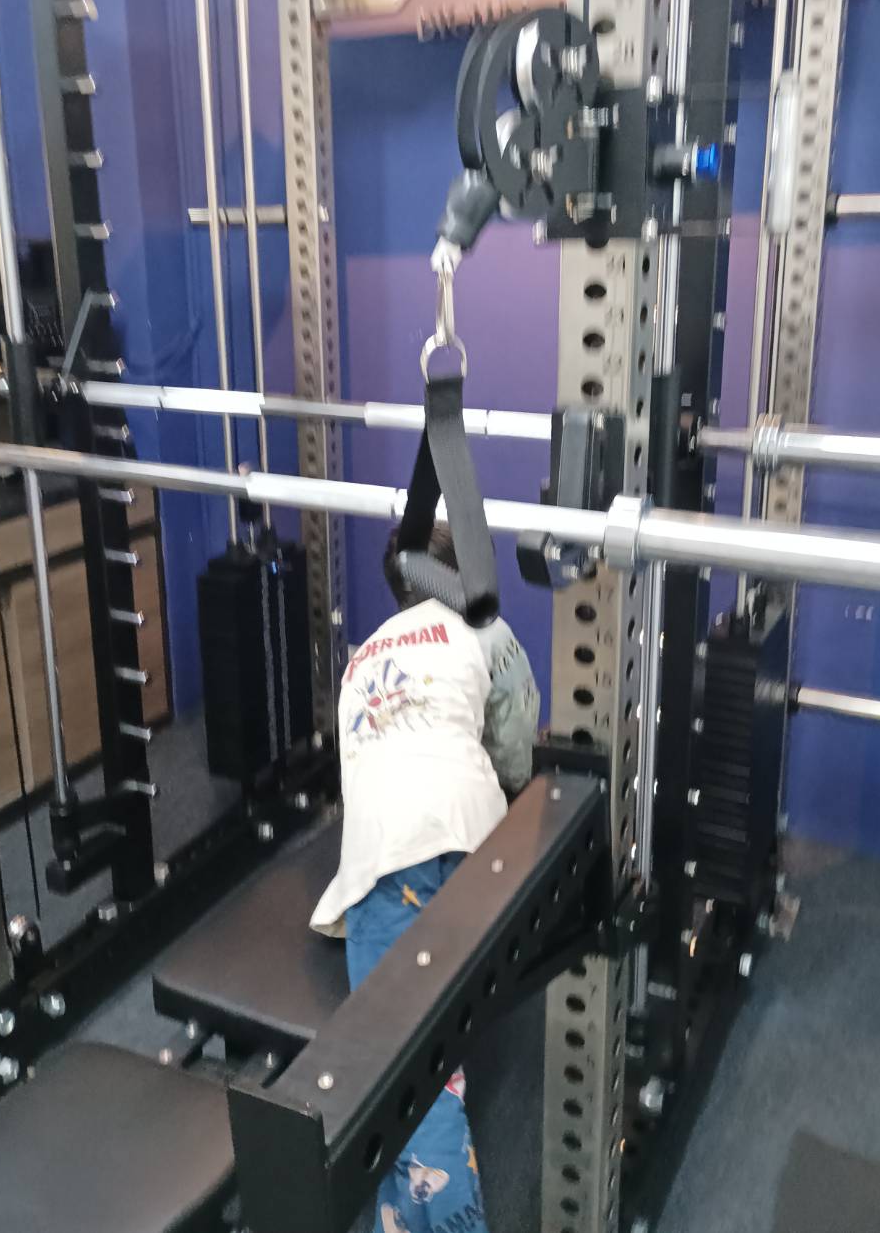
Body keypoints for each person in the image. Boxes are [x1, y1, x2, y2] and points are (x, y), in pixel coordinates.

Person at [312, 522, 539, 1233]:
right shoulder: (485, 628)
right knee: (421, 1062)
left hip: (388, 858)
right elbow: (517, 739)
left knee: (403, 1063)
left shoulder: (360, 660)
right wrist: (512, 796)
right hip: (474, 845)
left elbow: (362, 778)